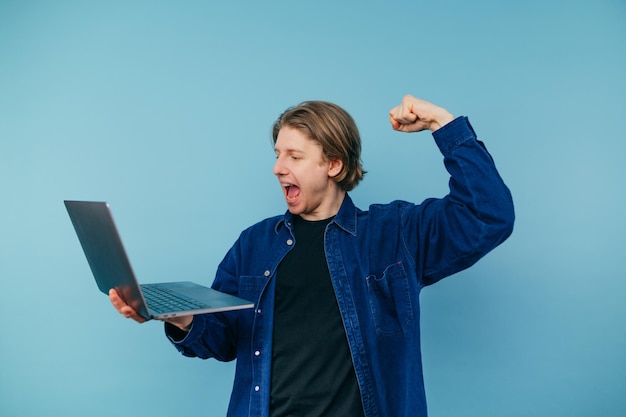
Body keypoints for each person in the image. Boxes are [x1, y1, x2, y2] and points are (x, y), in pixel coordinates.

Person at [110, 94, 515, 417]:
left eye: (294, 156)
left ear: (334, 165)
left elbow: (488, 214)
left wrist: (441, 123)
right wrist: (176, 314)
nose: (277, 167)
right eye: (277, 153)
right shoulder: (253, 245)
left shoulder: (396, 233)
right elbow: (223, 339)